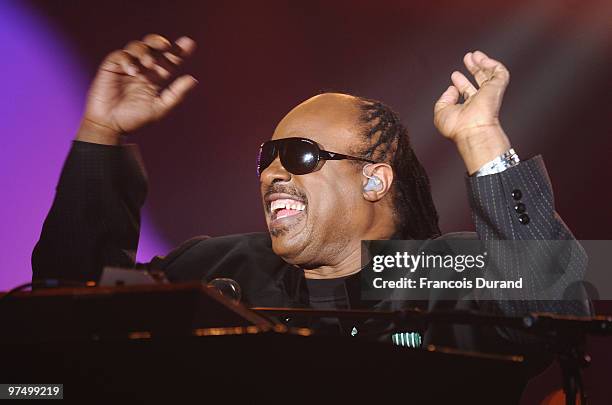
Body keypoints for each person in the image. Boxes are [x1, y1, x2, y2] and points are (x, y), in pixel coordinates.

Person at [32, 34, 588, 350]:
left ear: (375, 178)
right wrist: (102, 132)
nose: (273, 172)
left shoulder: (451, 271)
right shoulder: (214, 266)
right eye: (265, 158)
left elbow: (551, 311)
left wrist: (480, 135)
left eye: (300, 155)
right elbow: (69, 313)